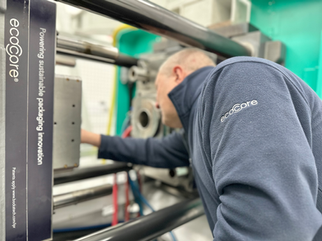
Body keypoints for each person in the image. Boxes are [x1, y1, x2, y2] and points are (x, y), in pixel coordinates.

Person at [81, 48, 322, 240]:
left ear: (177, 74)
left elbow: (271, 229)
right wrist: (89, 138)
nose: (154, 104)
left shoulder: (237, 79)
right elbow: (152, 150)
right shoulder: (197, 124)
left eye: (157, 90)